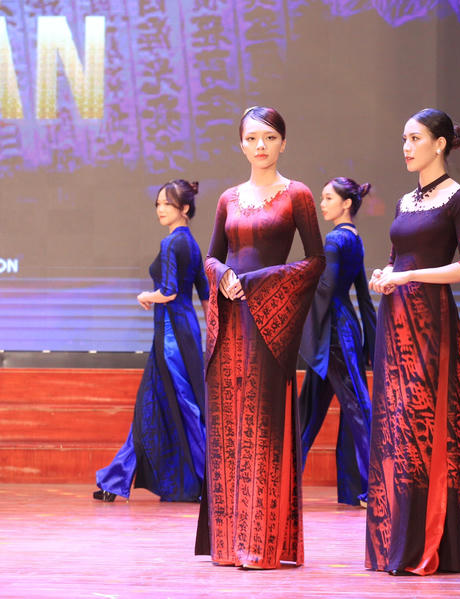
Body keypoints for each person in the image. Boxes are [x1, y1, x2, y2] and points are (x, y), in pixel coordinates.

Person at [195, 106, 325, 570]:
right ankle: (228, 544)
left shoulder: (298, 194)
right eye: (251, 138)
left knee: (263, 429)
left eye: (269, 137)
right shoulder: (228, 198)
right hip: (230, 323)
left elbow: (315, 261)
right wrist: (224, 276)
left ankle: (261, 544)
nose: (260, 146)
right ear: (241, 145)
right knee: (229, 430)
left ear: (283, 143)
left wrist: (258, 282)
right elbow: (211, 257)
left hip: (270, 325)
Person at [366, 108, 460, 575]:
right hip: (394, 319)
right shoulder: (403, 201)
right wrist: (385, 275)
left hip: (430, 321)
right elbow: (397, 258)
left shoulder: (458, 198)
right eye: (404, 139)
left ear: (440, 144)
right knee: (393, 426)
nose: (407, 147)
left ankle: (425, 545)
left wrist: (409, 276)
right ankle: (392, 544)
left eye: (415, 138)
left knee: (421, 425)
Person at [93, 179, 209, 503]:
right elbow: (205, 295)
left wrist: (146, 295)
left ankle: (213, 481)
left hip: (171, 338)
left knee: (181, 407)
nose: (160, 209)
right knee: (155, 407)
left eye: (167, 203)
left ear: (184, 208)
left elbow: (169, 291)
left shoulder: (172, 243)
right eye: (158, 203)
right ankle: (115, 480)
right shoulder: (192, 244)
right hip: (184, 334)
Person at [298, 177, 376, 507]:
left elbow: (325, 289)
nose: (322, 203)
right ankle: (285, 481)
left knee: (357, 407)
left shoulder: (334, 239)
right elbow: (362, 296)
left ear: (346, 204)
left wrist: (300, 324)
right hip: (344, 328)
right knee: (309, 410)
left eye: (328, 198)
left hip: (333, 332)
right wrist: (370, 340)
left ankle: (376, 487)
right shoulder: (354, 238)